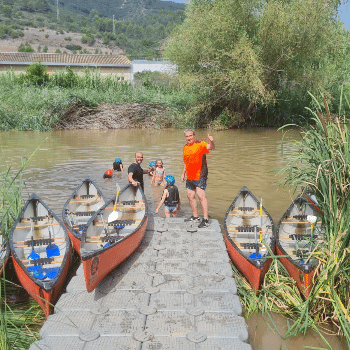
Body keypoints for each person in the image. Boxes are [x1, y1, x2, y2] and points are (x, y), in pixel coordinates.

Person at [181, 128, 215, 228]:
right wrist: (183, 173)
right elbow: (185, 162)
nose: (189, 138)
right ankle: (195, 217)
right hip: (190, 176)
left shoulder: (200, 144)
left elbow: (211, 147)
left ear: (194, 136)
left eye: (190, 136)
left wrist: (211, 141)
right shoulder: (185, 147)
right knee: (190, 195)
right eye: (187, 136)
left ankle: (205, 219)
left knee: (201, 195)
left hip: (200, 174)